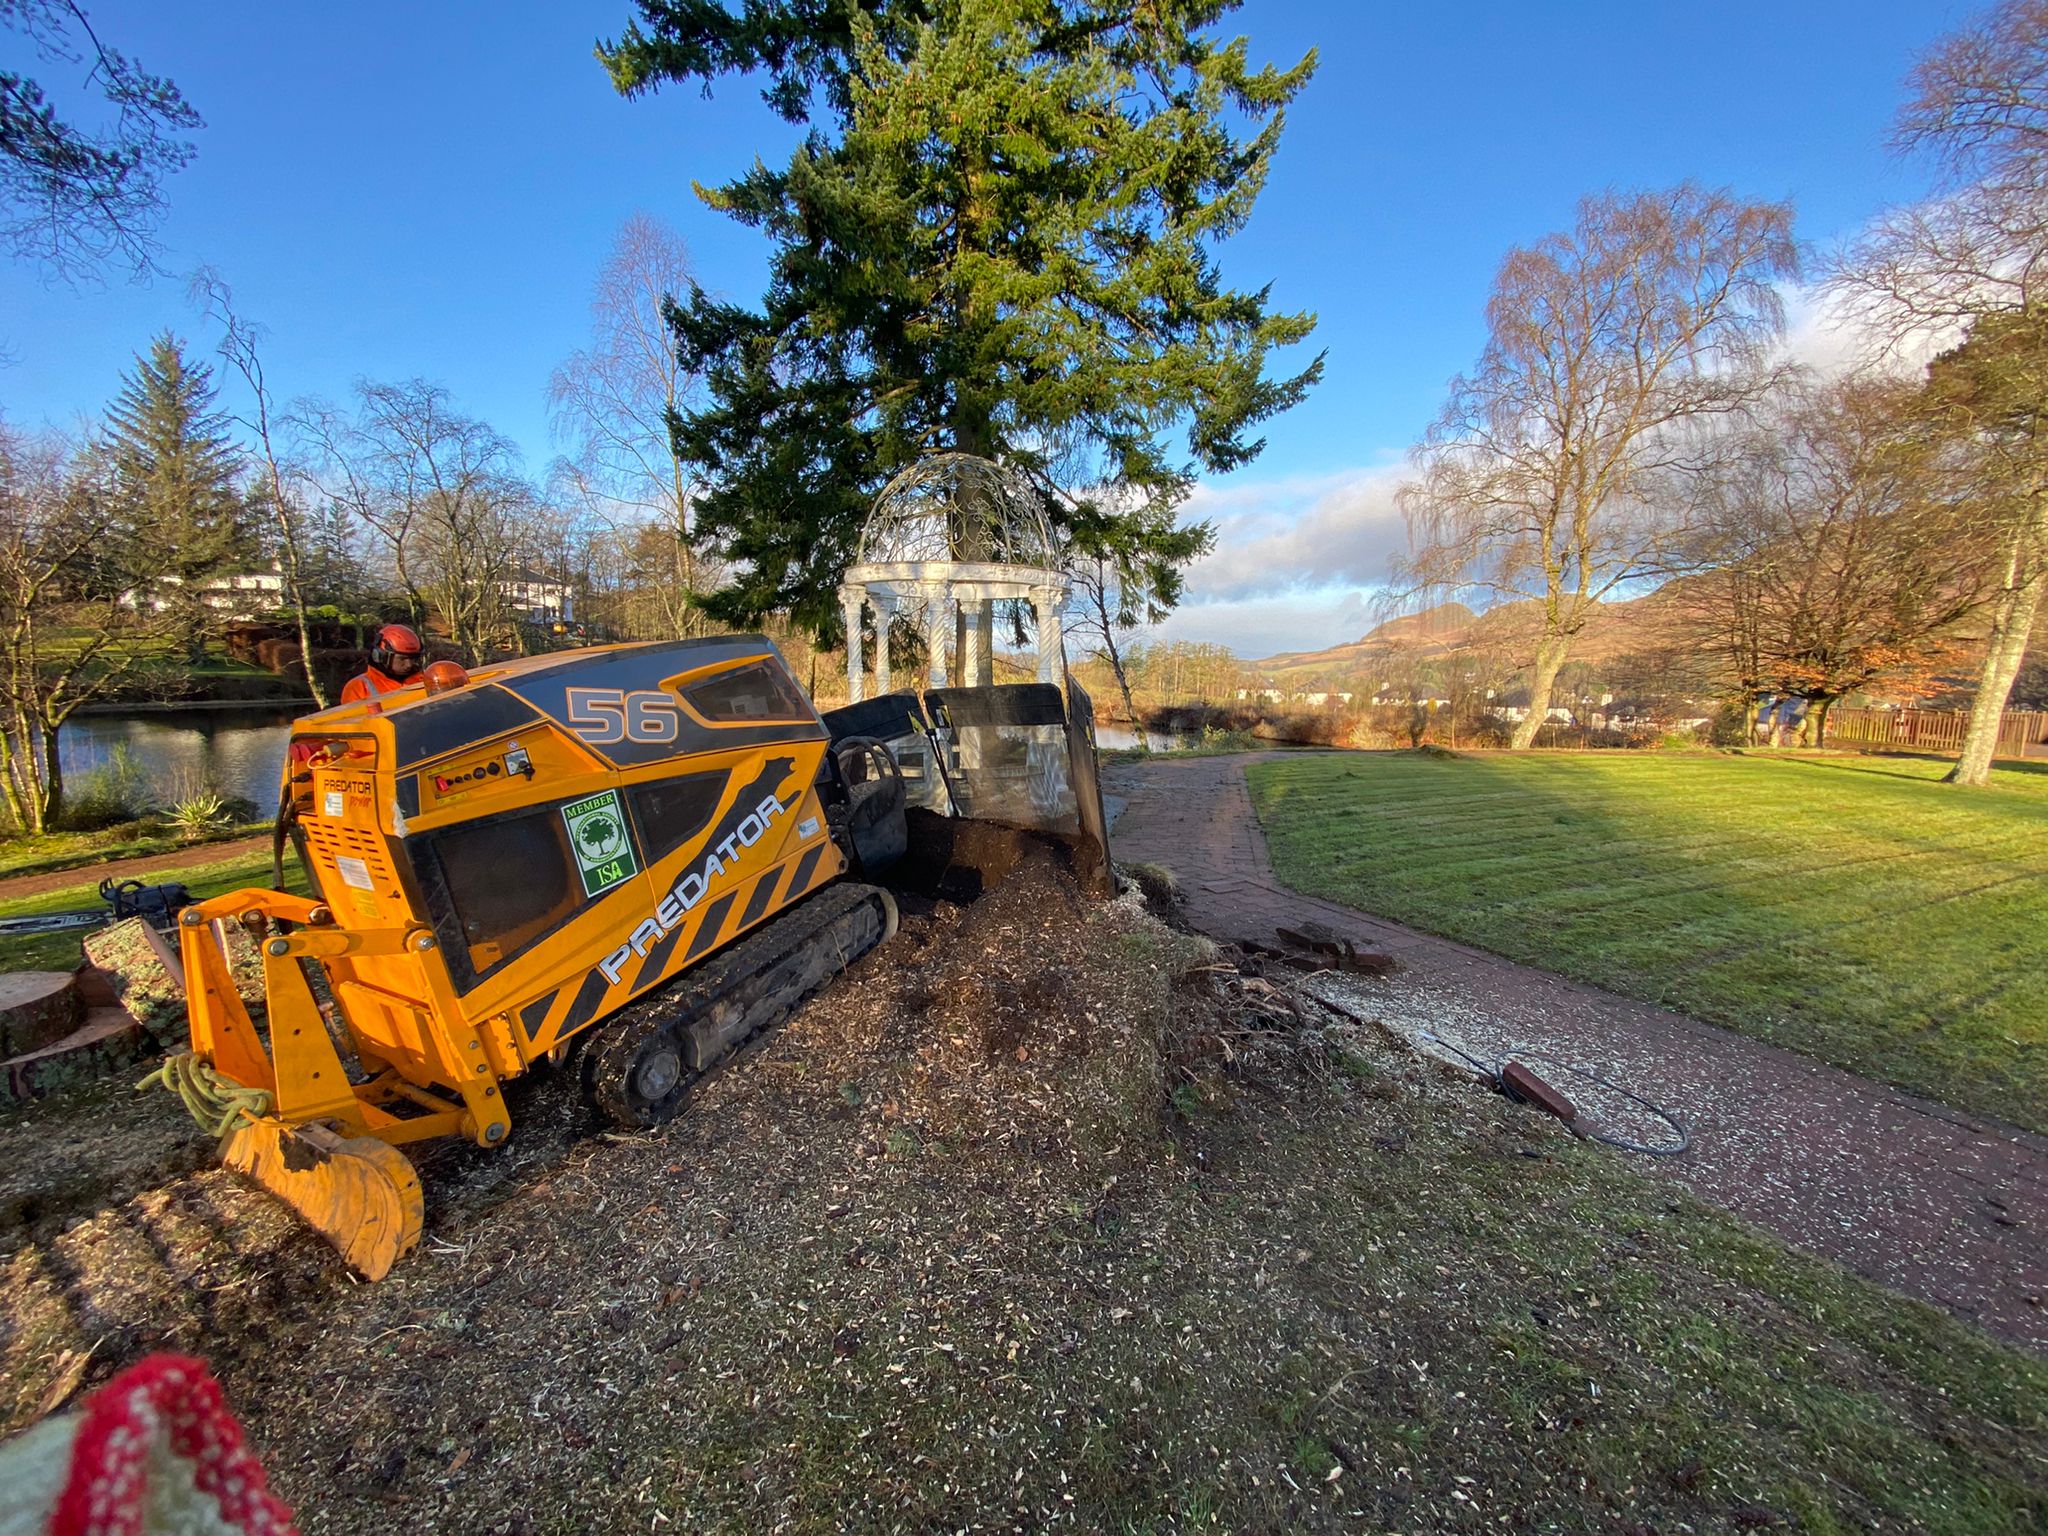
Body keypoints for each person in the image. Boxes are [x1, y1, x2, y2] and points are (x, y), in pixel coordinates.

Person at [340, 623, 424, 703]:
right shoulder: (358, 688)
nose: (409, 664)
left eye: (413, 658)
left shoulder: (425, 681)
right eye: (402, 659)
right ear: (380, 656)